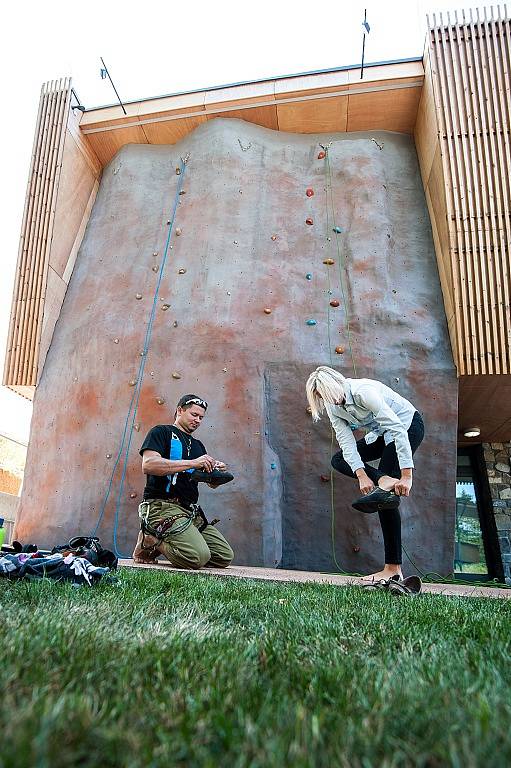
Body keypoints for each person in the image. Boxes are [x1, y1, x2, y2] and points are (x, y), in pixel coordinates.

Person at [306, 366, 424, 581]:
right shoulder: (333, 407)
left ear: (339, 385)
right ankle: (384, 480)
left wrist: (407, 476)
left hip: (406, 426)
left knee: (384, 500)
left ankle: (393, 568)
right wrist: (363, 475)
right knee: (339, 459)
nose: (333, 402)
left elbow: (397, 429)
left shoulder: (363, 391)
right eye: (325, 399)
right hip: (381, 433)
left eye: (333, 396)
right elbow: (347, 444)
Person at [132, 394, 234, 569]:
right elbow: (148, 464)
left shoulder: (198, 445)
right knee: (197, 558)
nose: (198, 420)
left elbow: (211, 484)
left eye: (201, 417)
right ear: (179, 410)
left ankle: (172, 539)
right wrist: (194, 463)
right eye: (194, 415)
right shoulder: (161, 432)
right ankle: (151, 541)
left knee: (224, 556)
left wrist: (216, 473)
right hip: (162, 507)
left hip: (190, 512)